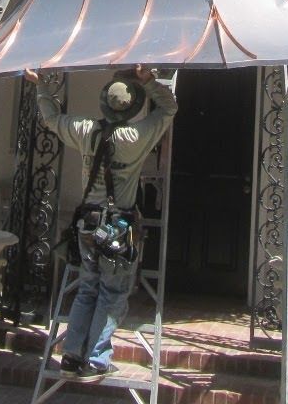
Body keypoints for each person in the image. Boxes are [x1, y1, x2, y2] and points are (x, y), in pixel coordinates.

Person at [27, 65, 177, 382]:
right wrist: (149, 81)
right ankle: (96, 358)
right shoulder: (135, 137)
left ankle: (70, 355)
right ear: (133, 106)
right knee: (111, 294)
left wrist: (42, 87)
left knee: (87, 289)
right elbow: (169, 108)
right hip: (117, 227)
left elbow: (52, 119)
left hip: (87, 223)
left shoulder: (85, 130)